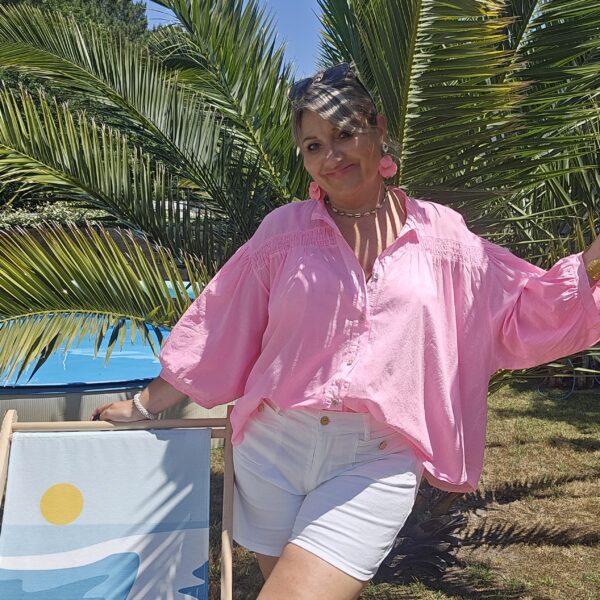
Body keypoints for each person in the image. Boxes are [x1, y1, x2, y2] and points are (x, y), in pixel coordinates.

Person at [93, 63, 600, 600]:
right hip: (272, 451)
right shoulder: (283, 233)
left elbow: (519, 307)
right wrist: (144, 406)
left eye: (344, 134)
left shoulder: (442, 236)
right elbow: (219, 325)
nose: (330, 156)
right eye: (313, 145)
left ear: (378, 129)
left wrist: (591, 264)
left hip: (376, 457)